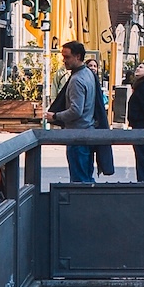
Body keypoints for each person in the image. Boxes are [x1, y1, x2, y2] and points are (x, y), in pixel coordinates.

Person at [51, 41, 104, 183]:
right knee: (86, 176)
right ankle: (90, 203)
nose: (64, 60)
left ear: (78, 56)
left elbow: (76, 111)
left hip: (77, 134)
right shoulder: (89, 74)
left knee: (79, 180)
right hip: (89, 131)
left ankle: (82, 205)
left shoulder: (76, 80)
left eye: (67, 57)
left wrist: (56, 116)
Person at [86, 58, 115, 177]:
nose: (93, 68)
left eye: (95, 66)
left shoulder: (96, 81)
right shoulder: (86, 80)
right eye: (90, 65)